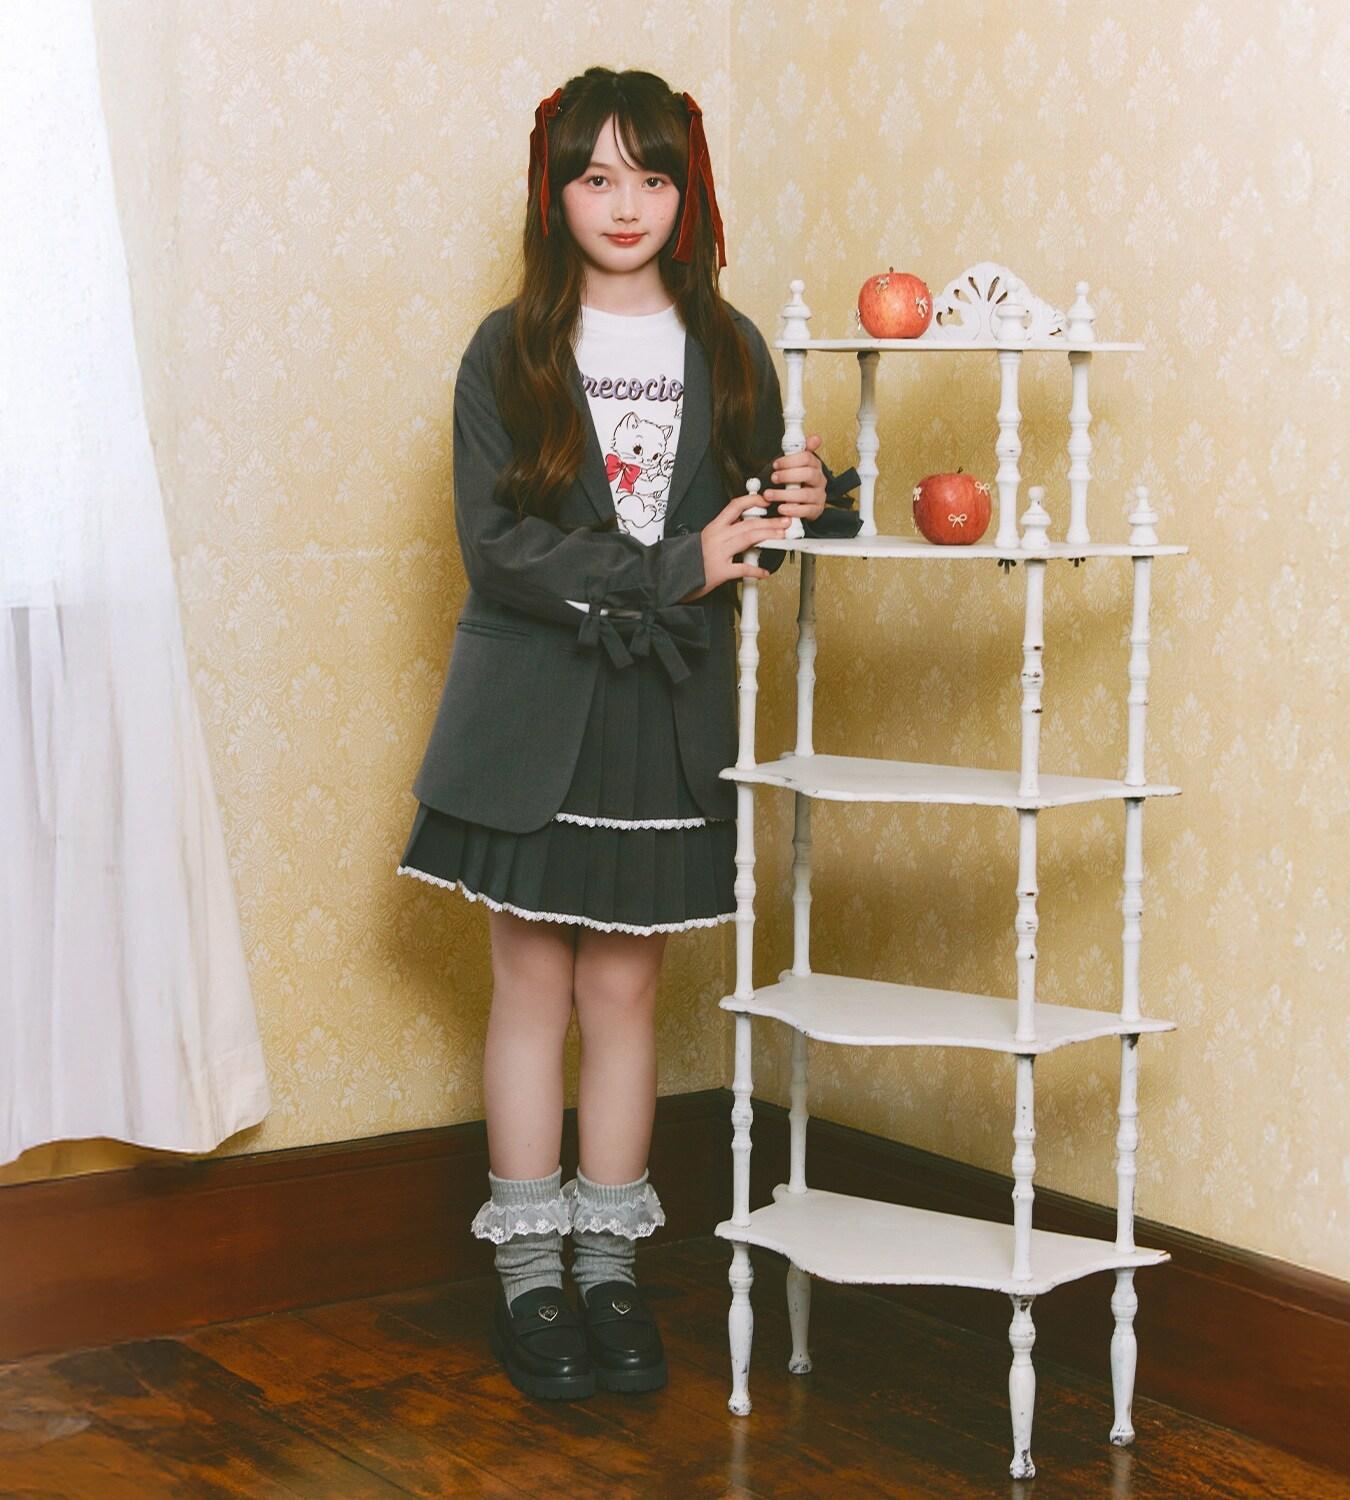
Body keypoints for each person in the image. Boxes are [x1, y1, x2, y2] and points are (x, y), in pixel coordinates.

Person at [396, 67, 860, 1401]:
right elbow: (496, 550)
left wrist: (817, 498)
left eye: (651, 178)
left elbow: (756, 521)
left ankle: (608, 1270)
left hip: (666, 716)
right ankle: (530, 1281)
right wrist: (670, 569)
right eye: (595, 177)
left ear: (686, 194)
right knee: (531, 989)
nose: (624, 204)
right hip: (529, 716)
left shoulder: (730, 347)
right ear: (554, 194)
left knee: (624, 992)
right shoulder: (508, 348)